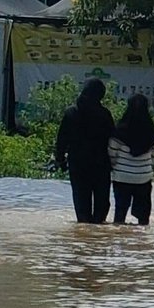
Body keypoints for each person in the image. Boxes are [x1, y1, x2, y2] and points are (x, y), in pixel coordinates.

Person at [54, 78, 115, 223]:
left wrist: (60, 160)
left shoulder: (72, 113)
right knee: (101, 203)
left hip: (78, 165)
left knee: (81, 202)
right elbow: (113, 140)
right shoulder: (104, 114)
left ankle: (83, 237)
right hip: (101, 165)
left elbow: (62, 140)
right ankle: (97, 237)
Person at [109, 93, 154, 225]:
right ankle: (141, 242)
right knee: (143, 216)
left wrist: (116, 167)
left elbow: (112, 153)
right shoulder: (152, 131)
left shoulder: (120, 130)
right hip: (144, 177)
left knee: (120, 213)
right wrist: (146, 167)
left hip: (122, 177)